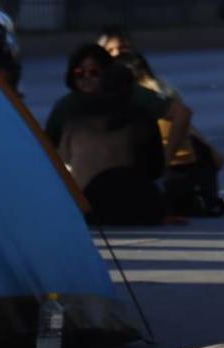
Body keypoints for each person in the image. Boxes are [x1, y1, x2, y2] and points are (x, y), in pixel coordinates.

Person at [115, 49, 224, 218]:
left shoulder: (143, 99)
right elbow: (213, 153)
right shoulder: (164, 91)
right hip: (191, 171)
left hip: (171, 173)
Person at [47, 43, 193, 171]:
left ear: (107, 73)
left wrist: (165, 159)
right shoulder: (66, 106)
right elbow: (46, 146)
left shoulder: (131, 94)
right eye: (79, 74)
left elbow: (182, 113)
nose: (86, 78)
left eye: (94, 72)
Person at [55, 61, 168, 226]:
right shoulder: (140, 118)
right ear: (132, 89)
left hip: (89, 207)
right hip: (135, 206)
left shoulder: (75, 117)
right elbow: (155, 168)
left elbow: (64, 160)